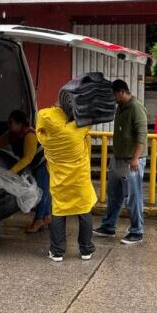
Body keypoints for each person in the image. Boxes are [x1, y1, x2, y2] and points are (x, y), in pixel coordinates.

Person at [36, 104, 96, 262]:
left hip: (59, 183)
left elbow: (41, 121)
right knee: (84, 212)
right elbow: (90, 117)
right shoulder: (76, 130)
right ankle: (86, 250)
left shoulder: (45, 138)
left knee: (59, 213)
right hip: (80, 181)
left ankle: (57, 252)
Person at [94, 79, 147, 244]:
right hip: (117, 159)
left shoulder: (136, 108)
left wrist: (135, 158)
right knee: (114, 195)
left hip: (131, 161)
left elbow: (142, 136)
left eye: (114, 95)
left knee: (133, 196)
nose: (113, 99)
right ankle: (108, 226)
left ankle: (137, 231)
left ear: (122, 92)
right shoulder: (121, 107)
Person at [0, 110, 51, 233]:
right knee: (42, 190)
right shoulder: (12, 134)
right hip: (34, 164)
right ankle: (47, 216)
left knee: (42, 191)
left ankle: (39, 220)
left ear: (19, 124)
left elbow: (27, 158)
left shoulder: (30, 135)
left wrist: (11, 172)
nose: (9, 125)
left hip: (44, 163)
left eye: (11, 122)